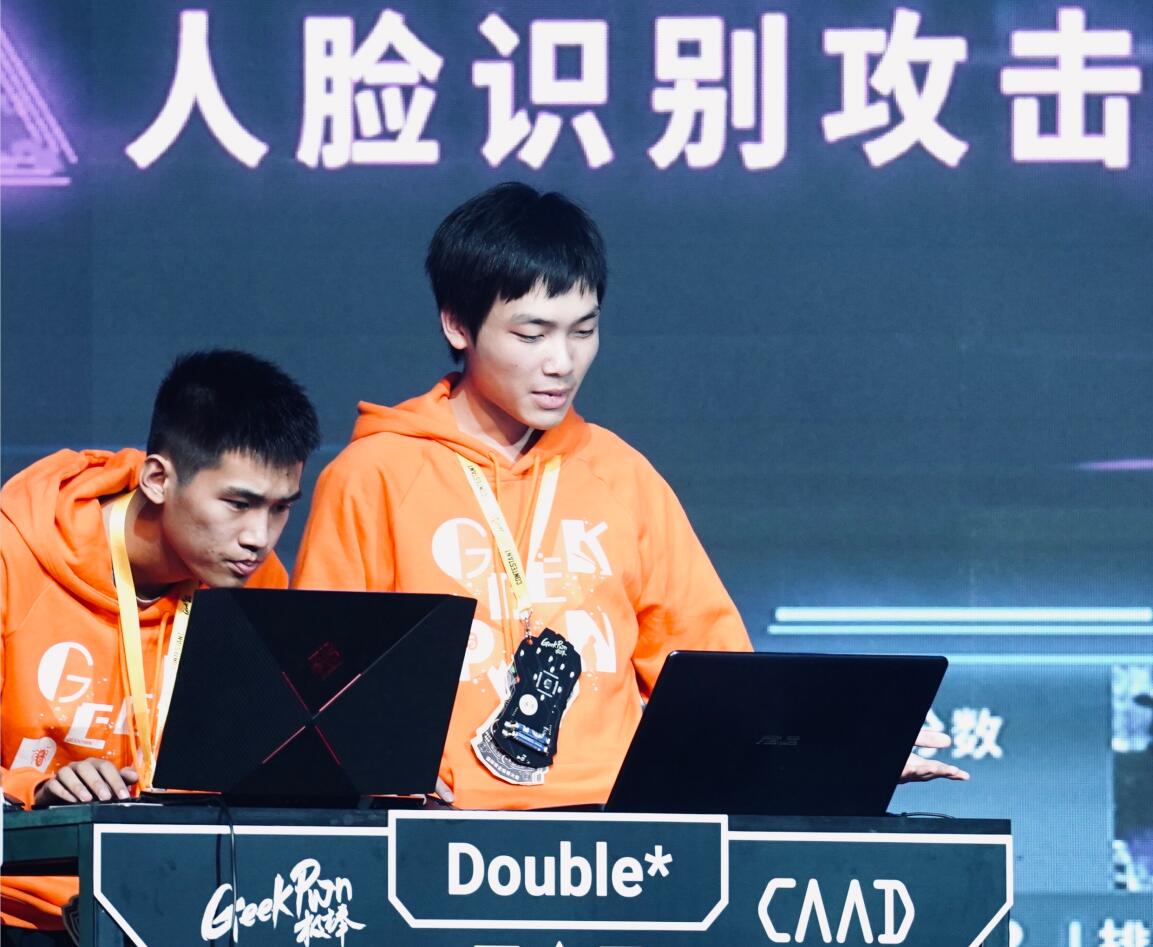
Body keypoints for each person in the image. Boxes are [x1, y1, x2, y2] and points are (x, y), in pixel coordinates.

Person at [293, 182, 967, 812]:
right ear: (457, 325)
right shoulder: (373, 476)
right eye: (531, 334)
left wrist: (845, 748)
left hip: (612, 840)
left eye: (582, 330)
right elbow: (317, 682)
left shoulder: (623, 477)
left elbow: (719, 678)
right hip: (438, 836)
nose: (561, 361)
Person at [0, 349, 320, 939]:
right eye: (238, 503)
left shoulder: (257, 584)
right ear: (157, 479)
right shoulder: (12, 557)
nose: (259, 537)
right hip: (20, 907)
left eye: (280, 509)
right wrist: (37, 790)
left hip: (177, 904)